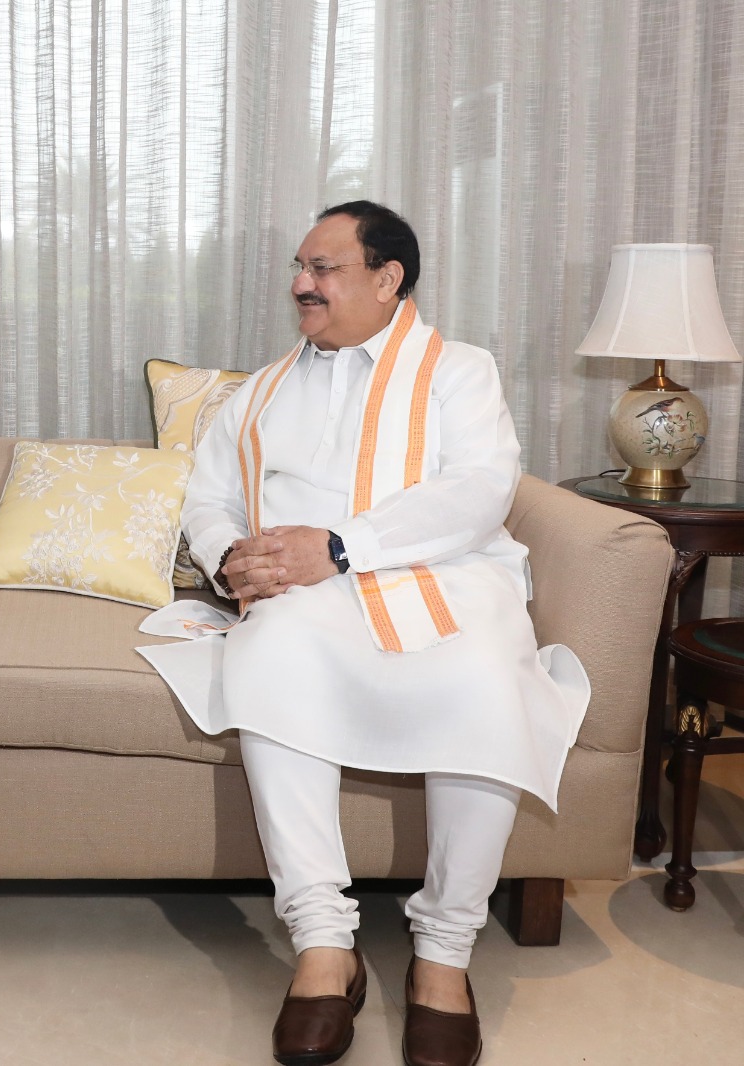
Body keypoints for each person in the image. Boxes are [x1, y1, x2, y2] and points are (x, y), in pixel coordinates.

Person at [138, 201, 588, 1066]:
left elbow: (480, 491)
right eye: (300, 269)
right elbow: (209, 494)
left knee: (491, 682)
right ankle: (322, 943)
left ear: (389, 280)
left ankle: (445, 954)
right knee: (267, 651)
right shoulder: (261, 389)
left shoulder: (459, 371)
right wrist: (230, 557)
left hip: (446, 577)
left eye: (325, 268)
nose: (302, 285)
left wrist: (344, 546)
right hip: (302, 594)